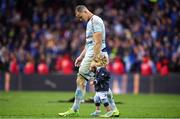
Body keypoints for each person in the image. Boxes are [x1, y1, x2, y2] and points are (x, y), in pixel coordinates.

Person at [58, 5, 119, 117]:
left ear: (85, 11)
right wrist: (81, 57)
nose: (80, 19)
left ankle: (75, 109)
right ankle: (114, 109)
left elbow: (98, 42)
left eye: (80, 16)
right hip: (94, 55)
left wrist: (94, 60)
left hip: (97, 55)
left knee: (81, 79)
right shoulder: (90, 23)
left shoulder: (95, 21)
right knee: (101, 84)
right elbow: (89, 44)